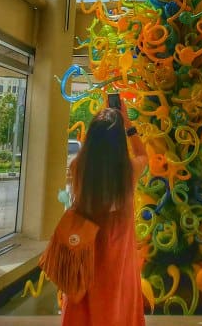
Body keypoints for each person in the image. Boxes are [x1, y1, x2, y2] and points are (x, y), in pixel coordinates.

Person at [61, 100, 147, 326]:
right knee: (116, 302)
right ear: (118, 143)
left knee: (85, 302)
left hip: (86, 248)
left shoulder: (78, 167)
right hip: (118, 253)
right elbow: (142, 153)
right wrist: (127, 123)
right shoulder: (128, 172)